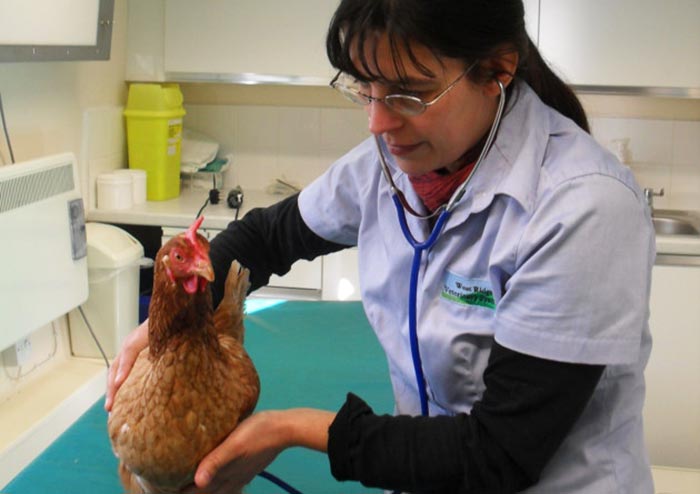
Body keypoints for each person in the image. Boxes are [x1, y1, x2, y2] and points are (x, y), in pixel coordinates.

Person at [105, 1, 656, 492]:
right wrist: (163, 328)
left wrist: (288, 428)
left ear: (497, 69)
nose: (377, 122)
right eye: (363, 89)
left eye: (407, 94)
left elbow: (498, 454)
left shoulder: (583, 208)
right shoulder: (389, 166)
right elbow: (268, 237)